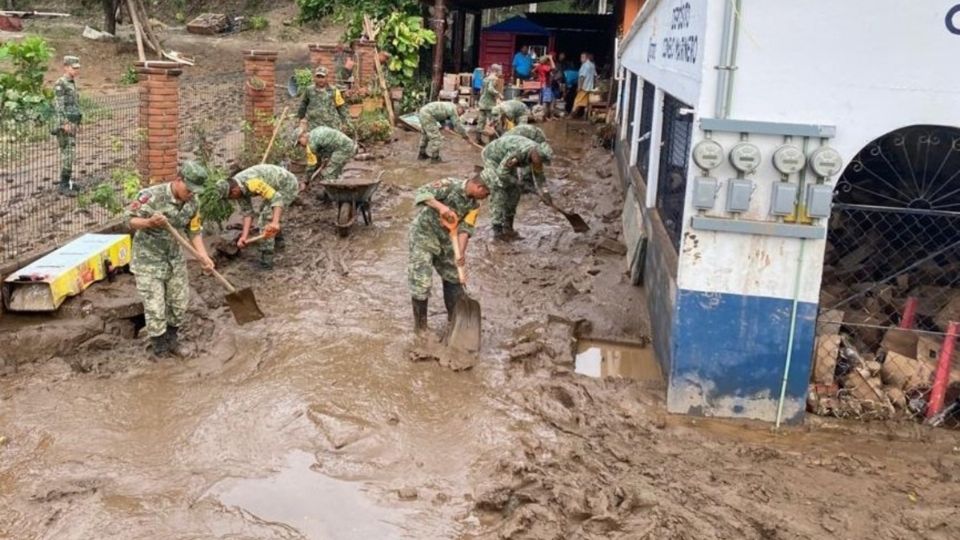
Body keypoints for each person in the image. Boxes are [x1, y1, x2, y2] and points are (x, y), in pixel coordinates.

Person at [125, 161, 215, 357]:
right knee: (155, 307)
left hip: (174, 259)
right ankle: (160, 349)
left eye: (195, 190)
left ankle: (172, 340)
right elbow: (130, 220)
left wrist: (203, 256)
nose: (191, 193)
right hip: (148, 261)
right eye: (189, 189)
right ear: (179, 180)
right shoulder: (151, 196)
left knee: (178, 303)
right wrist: (149, 222)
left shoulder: (193, 202)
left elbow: (194, 230)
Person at [408, 173, 490, 333]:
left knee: (454, 277)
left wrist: (459, 253)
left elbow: (465, 229)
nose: (486, 197)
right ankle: (421, 328)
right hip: (424, 235)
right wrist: (442, 208)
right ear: (479, 187)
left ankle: (455, 321)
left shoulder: (475, 205)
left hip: (446, 240)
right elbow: (421, 193)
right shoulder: (449, 185)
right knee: (421, 282)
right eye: (486, 193)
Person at [216, 164, 299, 270]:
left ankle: (266, 261)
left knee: (265, 218)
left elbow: (277, 199)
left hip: (287, 185)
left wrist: (275, 222)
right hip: (274, 188)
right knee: (264, 211)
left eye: (229, 198)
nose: (231, 200)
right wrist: (244, 237)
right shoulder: (237, 188)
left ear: (234, 191)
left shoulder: (252, 183)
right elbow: (247, 213)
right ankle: (279, 241)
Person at [480, 135, 553, 241]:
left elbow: (539, 176)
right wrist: (519, 183)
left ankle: (508, 227)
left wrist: (546, 193)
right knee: (499, 188)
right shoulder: (518, 153)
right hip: (493, 157)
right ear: (536, 155)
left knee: (515, 192)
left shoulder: (537, 156)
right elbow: (502, 174)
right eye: (540, 160)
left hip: (504, 160)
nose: (540, 163)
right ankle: (498, 231)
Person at [53, 55, 82, 197]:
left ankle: (68, 181)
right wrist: (64, 123)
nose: (76, 70)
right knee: (68, 154)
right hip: (65, 125)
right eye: (73, 68)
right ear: (65, 67)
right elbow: (59, 105)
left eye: (77, 68)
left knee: (70, 153)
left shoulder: (71, 83)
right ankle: (63, 184)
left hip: (72, 123)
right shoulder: (61, 83)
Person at [297, 66, 349, 133]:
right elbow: (303, 104)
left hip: (331, 125)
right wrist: (301, 118)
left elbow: (341, 107)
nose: (320, 80)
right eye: (318, 77)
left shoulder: (334, 90)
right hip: (314, 126)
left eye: (322, 77)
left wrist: (345, 122)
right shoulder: (309, 90)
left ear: (327, 77)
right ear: (315, 78)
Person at [476, 64, 503, 145]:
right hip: (489, 104)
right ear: (496, 71)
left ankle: (478, 139)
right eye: (500, 71)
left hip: (482, 103)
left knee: (481, 121)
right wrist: (498, 94)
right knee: (494, 121)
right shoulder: (494, 78)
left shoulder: (485, 78)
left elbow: (481, 91)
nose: (500, 73)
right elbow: (490, 89)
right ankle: (492, 141)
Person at [572, 52, 597, 118]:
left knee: (577, 101)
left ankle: (572, 114)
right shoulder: (592, 65)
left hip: (584, 87)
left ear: (586, 58)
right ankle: (585, 115)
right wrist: (594, 85)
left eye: (582, 57)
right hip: (590, 87)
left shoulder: (585, 65)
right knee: (587, 102)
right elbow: (595, 76)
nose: (581, 59)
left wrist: (579, 86)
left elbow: (582, 77)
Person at [533, 54, 556, 119]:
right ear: (547, 61)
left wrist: (537, 77)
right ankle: (544, 117)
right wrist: (551, 58)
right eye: (549, 61)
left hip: (543, 85)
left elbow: (533, 71)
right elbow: (554, 67)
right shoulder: (545, 67)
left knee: (551, 100)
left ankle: (551, 116)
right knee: (545, 102)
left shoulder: (539, 66)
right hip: (546, 86)